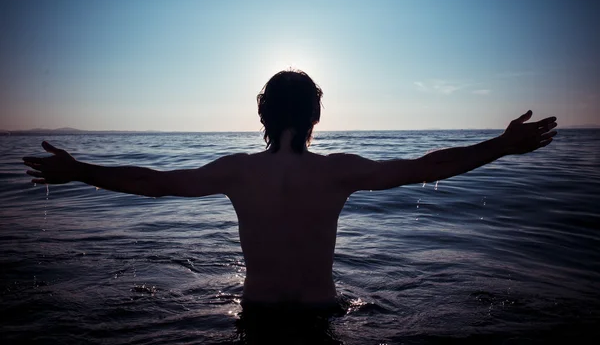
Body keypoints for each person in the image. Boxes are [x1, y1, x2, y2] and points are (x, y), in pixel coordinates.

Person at [23, 70, 557, 309]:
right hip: (323, 314)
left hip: (254, 315)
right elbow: (425, 166)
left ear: (262, 114)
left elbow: (152, 183)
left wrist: (81, 170)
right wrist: (501, 146)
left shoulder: (238, 172)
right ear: (315, 117)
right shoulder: (337, 172)